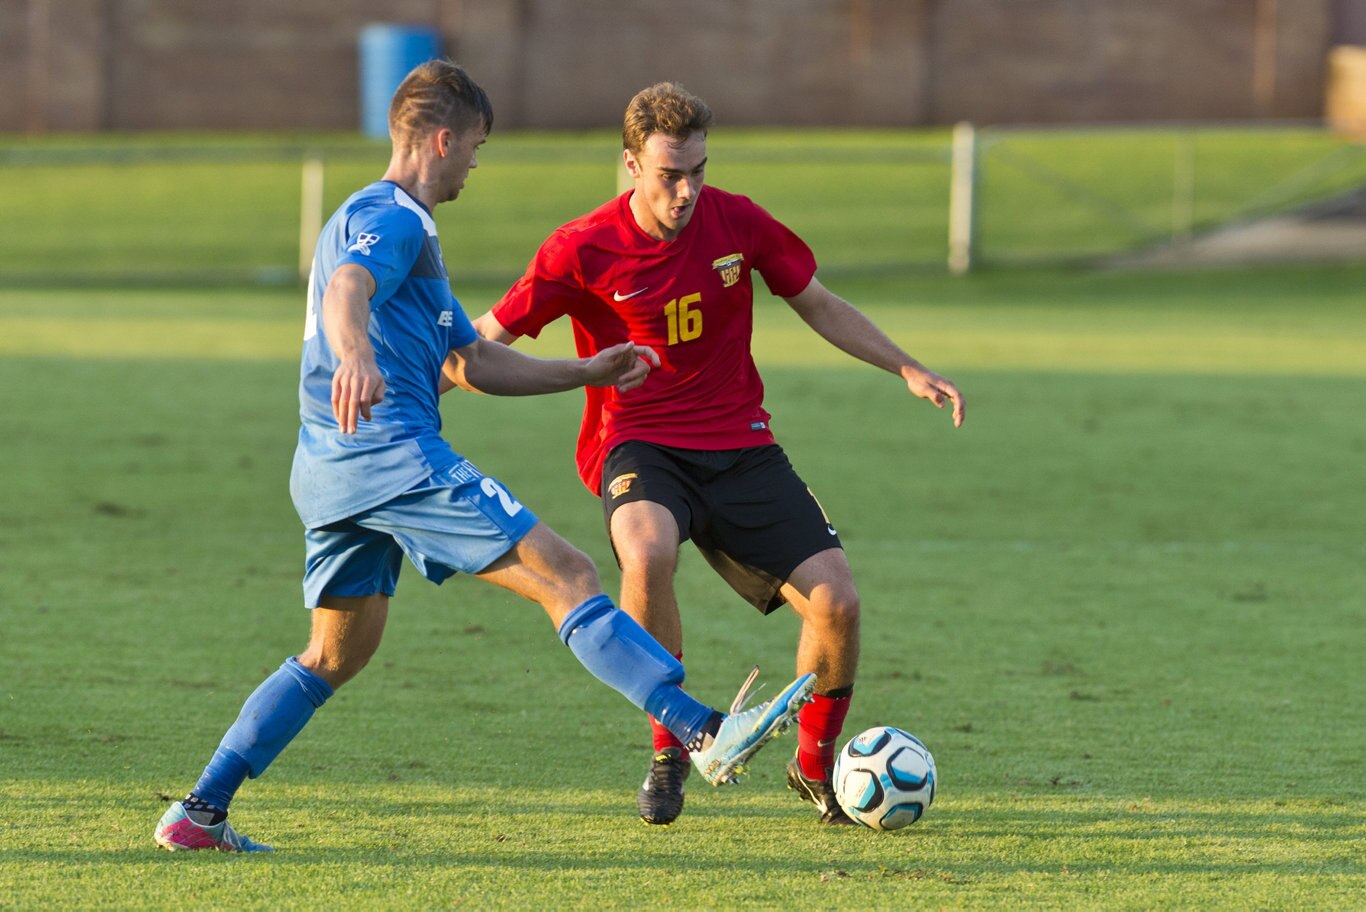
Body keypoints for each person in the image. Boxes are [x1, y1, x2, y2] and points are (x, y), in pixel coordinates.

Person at [153, 62, 815, 854]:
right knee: (569, 574)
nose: (476, 161)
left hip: (330, 469)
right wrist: (357, 356)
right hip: (391, 453)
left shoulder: (405, 231)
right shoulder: (389, 216)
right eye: (475, 145)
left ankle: (199, 812)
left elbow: (470, 361)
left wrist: (587, 371)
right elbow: (345, 293)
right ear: (441, 139)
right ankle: (705, 732)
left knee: (335, 652)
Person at [469, 82, 965, 827]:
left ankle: (813, 766)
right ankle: (671, 750)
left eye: (697, 169)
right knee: (646, 553)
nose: (688, 189)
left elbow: (819, 303)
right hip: (637, 443)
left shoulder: (737, 221)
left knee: (839, 605)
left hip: (741, 444)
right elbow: (482, 340)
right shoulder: (580, 249)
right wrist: (410, 380)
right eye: (670, 173)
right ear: (631, 165)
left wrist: (906, 366)